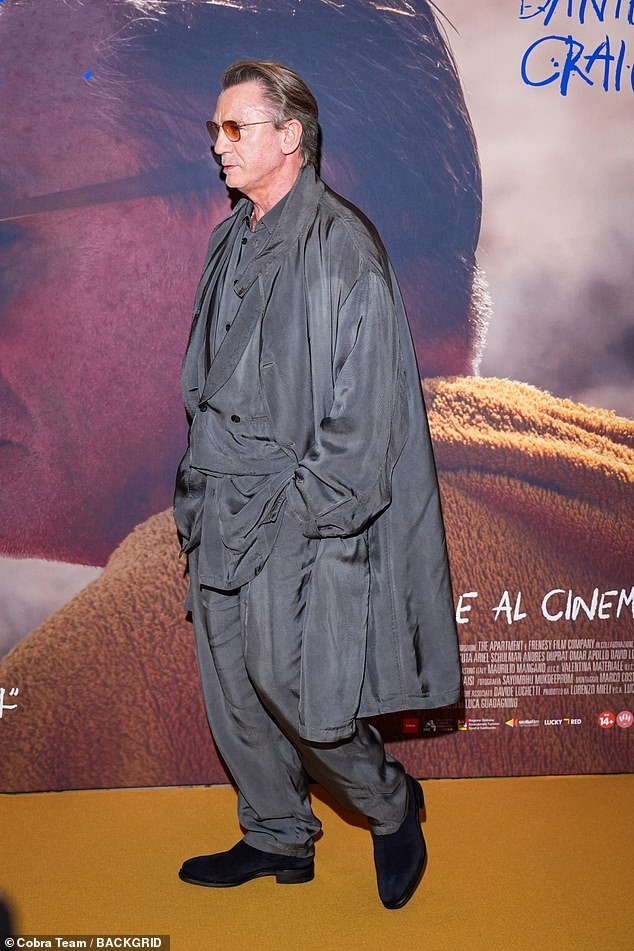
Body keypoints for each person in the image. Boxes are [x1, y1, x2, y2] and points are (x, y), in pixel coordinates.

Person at [172, 60, 461, 909]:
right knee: (233, 686)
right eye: (216, 128)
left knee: (297, 689)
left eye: (236, 127)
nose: (218, 144)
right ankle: (276, 833)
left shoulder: (343, 246)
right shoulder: (230, 237)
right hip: (218, 499)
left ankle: (390, 803)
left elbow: (365, 419)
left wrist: (297, 517)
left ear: (290, 136)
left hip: (294, 511)